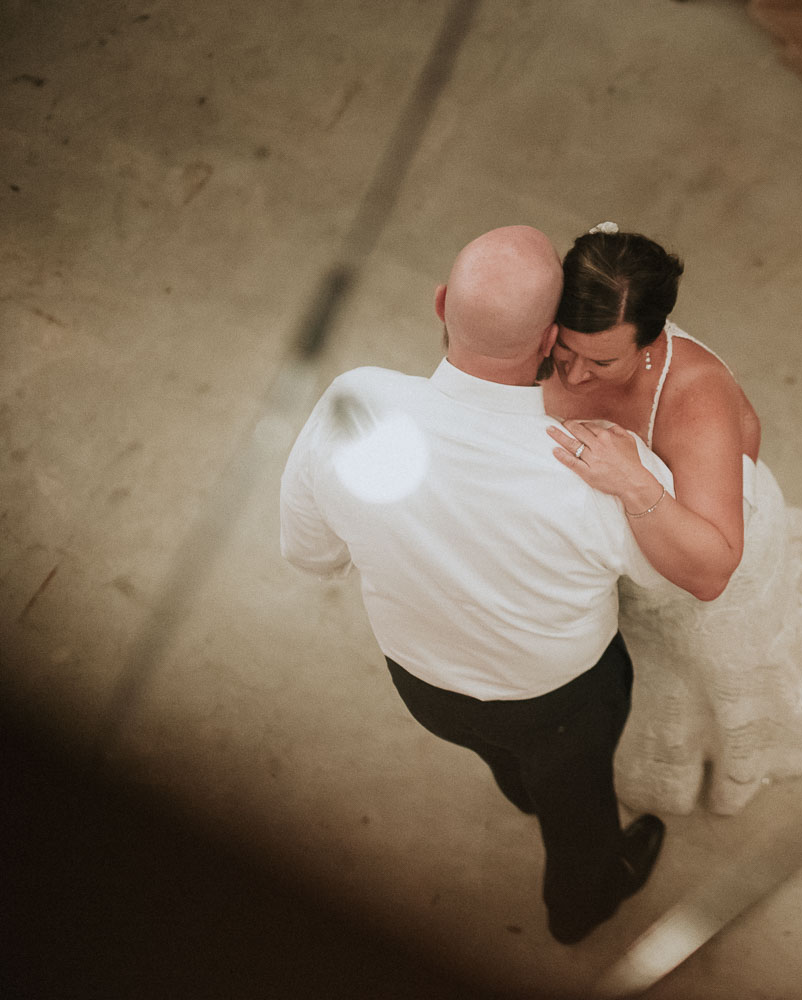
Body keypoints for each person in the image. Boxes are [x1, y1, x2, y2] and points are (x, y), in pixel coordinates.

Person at [279, 225, 673, 945]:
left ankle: (521, 789)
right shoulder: (598, 465)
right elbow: (662, 578)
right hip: (559, 702)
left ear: (439, 304)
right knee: (579, 812)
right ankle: (582, 903)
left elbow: (309, 554)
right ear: (556, 337)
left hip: (424, 685)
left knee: (503, 757)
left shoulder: (353, 403)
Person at [543, 224, 802, 815]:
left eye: (602, 360)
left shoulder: (695, 395)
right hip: (625, 568)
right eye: (563, 352)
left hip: (708, 573)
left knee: (708, 669)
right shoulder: (553, 343)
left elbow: (709, 574)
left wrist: (632, 481)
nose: (573, 376)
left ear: (650, 343)